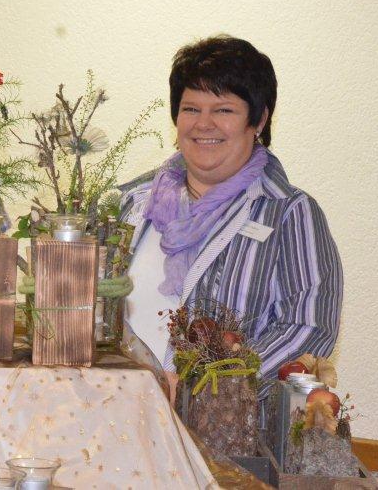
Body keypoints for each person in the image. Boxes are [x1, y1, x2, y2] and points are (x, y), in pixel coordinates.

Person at [121, 35, 342, 388]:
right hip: (120, 411)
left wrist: (205, 387)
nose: (204, 124)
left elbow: (309, 329)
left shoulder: (289, 213)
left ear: (259, 120)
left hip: (226, 419)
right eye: (191, 109)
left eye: (223, 110)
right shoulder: (131, 203)